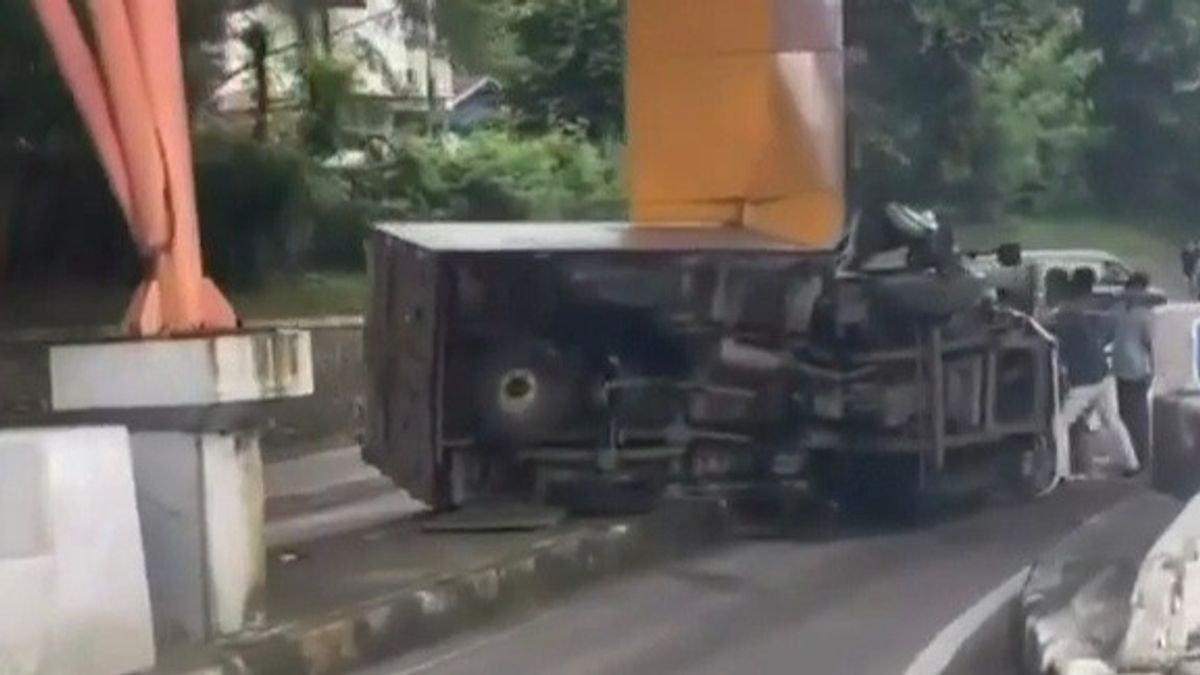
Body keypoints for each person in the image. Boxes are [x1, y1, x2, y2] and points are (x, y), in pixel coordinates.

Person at [1050, 268, 1140, 480]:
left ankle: (1062, 471)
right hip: (1104, 373)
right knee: (1112, 418)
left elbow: (1053, 341)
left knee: (1060, 422)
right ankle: (1132, 463)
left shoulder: (1063, 317)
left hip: (1086, 379)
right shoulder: (1083, 312)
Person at [1112, 272, 1154, 467]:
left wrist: (1152, 369)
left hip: (1135, 369)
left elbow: (1150, 344)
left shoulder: (1143, 314)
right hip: (1122, 368)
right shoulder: (1120, 310)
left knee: (1137, 415)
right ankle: (1134, 456)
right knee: (1125, 414)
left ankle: (1142, 456)